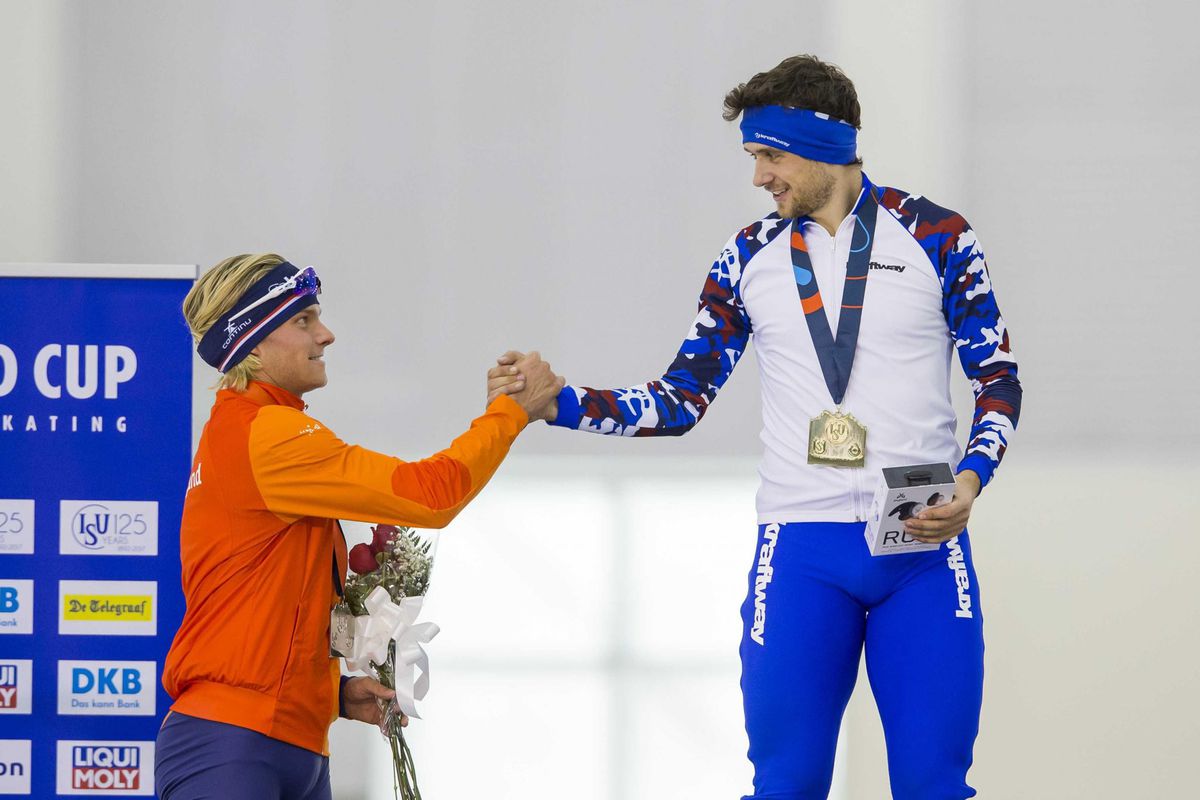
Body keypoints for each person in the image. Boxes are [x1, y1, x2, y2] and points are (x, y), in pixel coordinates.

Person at [489, 55, 1021, 800]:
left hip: (925, 549)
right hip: (802, 550)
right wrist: (561, 403)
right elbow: (681, 399)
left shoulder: (937, 236)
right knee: (786, 786)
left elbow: (997, 381)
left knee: (936, 786)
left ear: (823, 145)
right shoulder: (747, 256)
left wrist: (971, 481)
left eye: (769, 156)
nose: (759, 177)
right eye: (752, 158)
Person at [156, 253, 561, 800]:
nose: (326, 335)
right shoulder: (266, 434)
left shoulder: (252, 431)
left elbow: (273, 602)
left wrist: (331, 693)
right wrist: (510, 413)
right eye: (303, 321)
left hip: (285, 739)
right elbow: (430, 495)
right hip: (236, 741)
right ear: (251, 344)